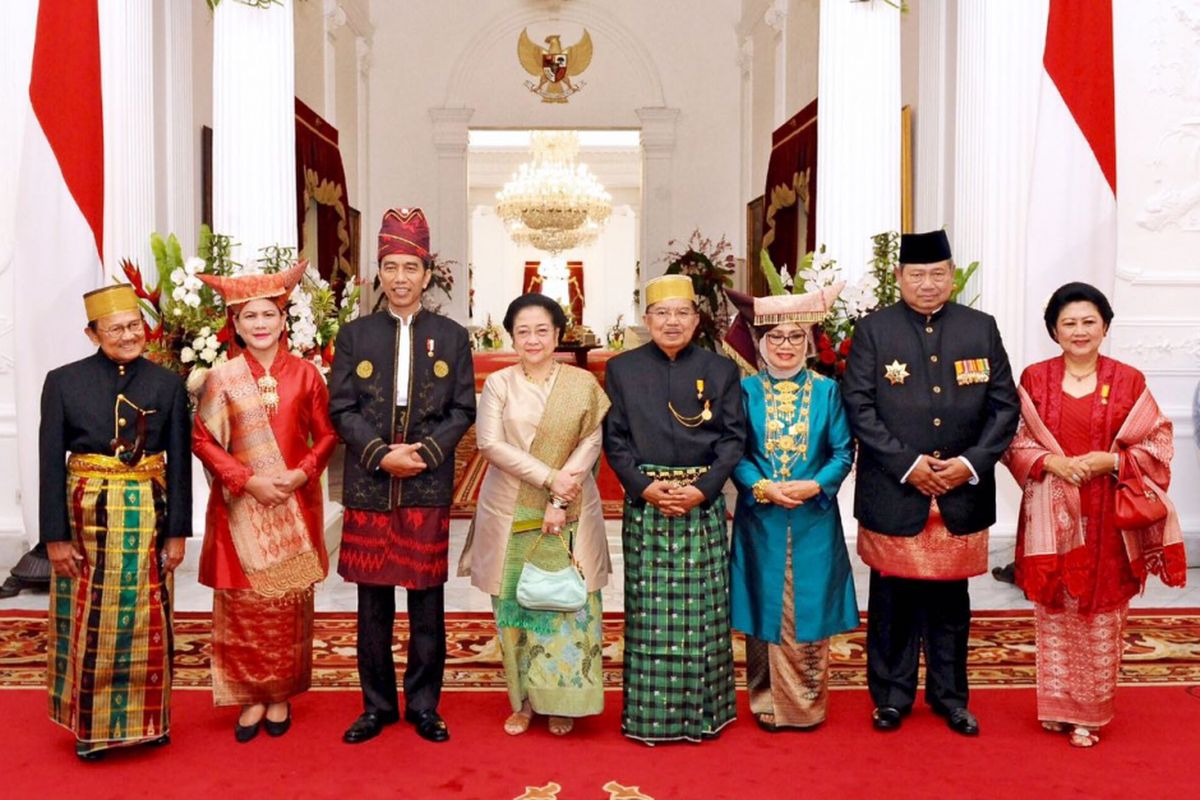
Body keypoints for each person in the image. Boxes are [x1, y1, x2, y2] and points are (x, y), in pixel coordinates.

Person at [841, 230, 1019, 737]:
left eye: (937, 274)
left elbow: (1005, 407)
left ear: (952, 274)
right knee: (892, 601)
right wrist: (907, 463)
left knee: (950, 603)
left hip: (961, 490)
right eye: (916, 275)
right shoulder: (874, 330)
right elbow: (859, 406)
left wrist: (969, 464)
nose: (927, 284)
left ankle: (950, 697)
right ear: (899, 278)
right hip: (897, 488)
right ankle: (891, 697)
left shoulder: (980, 328)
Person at [1002, 282, 1186, 748]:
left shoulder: (1128, 379)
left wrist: (1114, 462)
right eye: (1069, 323)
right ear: (1053, 330)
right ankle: (1057, 707)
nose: (1079, 331)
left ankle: (1090, 714)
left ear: (1105, 326)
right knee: (1057, 608)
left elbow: (1158, 441)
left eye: (1089, 321)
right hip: (1051, 512)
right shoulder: (1035, 379)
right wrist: (1051, 463)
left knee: (1101, 611)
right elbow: (1015, 440)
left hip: (1109, 514)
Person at [330, 207, 476, 744]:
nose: (400, 278)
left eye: (410, 268)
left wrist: (428, 452)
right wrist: (376, 453)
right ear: (379, 271)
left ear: (427, 272)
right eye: (390, 267)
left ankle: (423, 704)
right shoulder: (355, 334)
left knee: (426, 600)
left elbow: (464, 409)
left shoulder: (452, 336)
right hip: (370, 484)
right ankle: (375, 706)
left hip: (426, 482)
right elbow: (340, 406)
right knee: (371, 604)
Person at [40, 285, 192, 760]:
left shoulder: (166, 383)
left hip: (149, 512)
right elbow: (49, 462)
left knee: (150, 618)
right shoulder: (63, 381)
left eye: (135, 325)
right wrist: (55, 537)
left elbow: (181, 464)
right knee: (89, 621)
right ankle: (92, 727)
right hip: (84, 516)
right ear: (92, 333)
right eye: (116, 329)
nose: (129, 336)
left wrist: (178, 533)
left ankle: (149, 722)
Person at [191, 261, 338, 742]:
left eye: (268, 315)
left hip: (295, 504)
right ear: (234, 325)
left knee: (286, 606)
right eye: (249, 317)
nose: (259, 324)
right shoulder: (221, 377)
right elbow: (202, 440)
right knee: (245, 606)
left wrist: (301, 473)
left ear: (283, 319)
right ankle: (249, 697)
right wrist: (246, 479)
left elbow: (327, 434)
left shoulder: (307, 375)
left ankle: (280, 696)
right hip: (240, 507)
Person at [459, 293, 611, 737]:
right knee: (515, 608)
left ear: (559, 335)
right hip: (509, 510)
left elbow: (591, 441)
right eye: (522, 331)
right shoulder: (500, 384)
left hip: (573, 508)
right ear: (511, 335)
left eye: (541, 330)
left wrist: (561, 495)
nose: (532, 339)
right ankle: (523, 700)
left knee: (567, 605)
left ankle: (561, 697)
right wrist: (549, 478)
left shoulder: (582, 384)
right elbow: (489, 444)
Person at [602, 273, 746, 744]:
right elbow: (615, 439)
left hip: (699, 504)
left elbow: (732, 439)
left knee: (705, 612)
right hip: (647, 504)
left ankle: (705, 715)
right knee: (649, 613)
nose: (671, 321)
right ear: (647, 319)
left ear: (696, 319)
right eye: (662, 313)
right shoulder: (622, 370)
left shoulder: (721, 370)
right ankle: (650, 718)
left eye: (681, 312)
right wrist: (643, 487)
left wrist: (703, 488)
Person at [728, 284, 858, 732]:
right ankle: (765, 697)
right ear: (761, 344)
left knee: (809, 605)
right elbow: (734, 452)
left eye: (795, 338)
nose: (785, 346)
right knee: (761, 602)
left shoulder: (827, 392)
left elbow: (843, 451)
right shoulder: (743, 391)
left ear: (808, 343)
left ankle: (805, 703)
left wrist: (813, 486)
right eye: (776, 338)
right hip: (759, 516)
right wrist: (760, 487)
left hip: (813, 517)